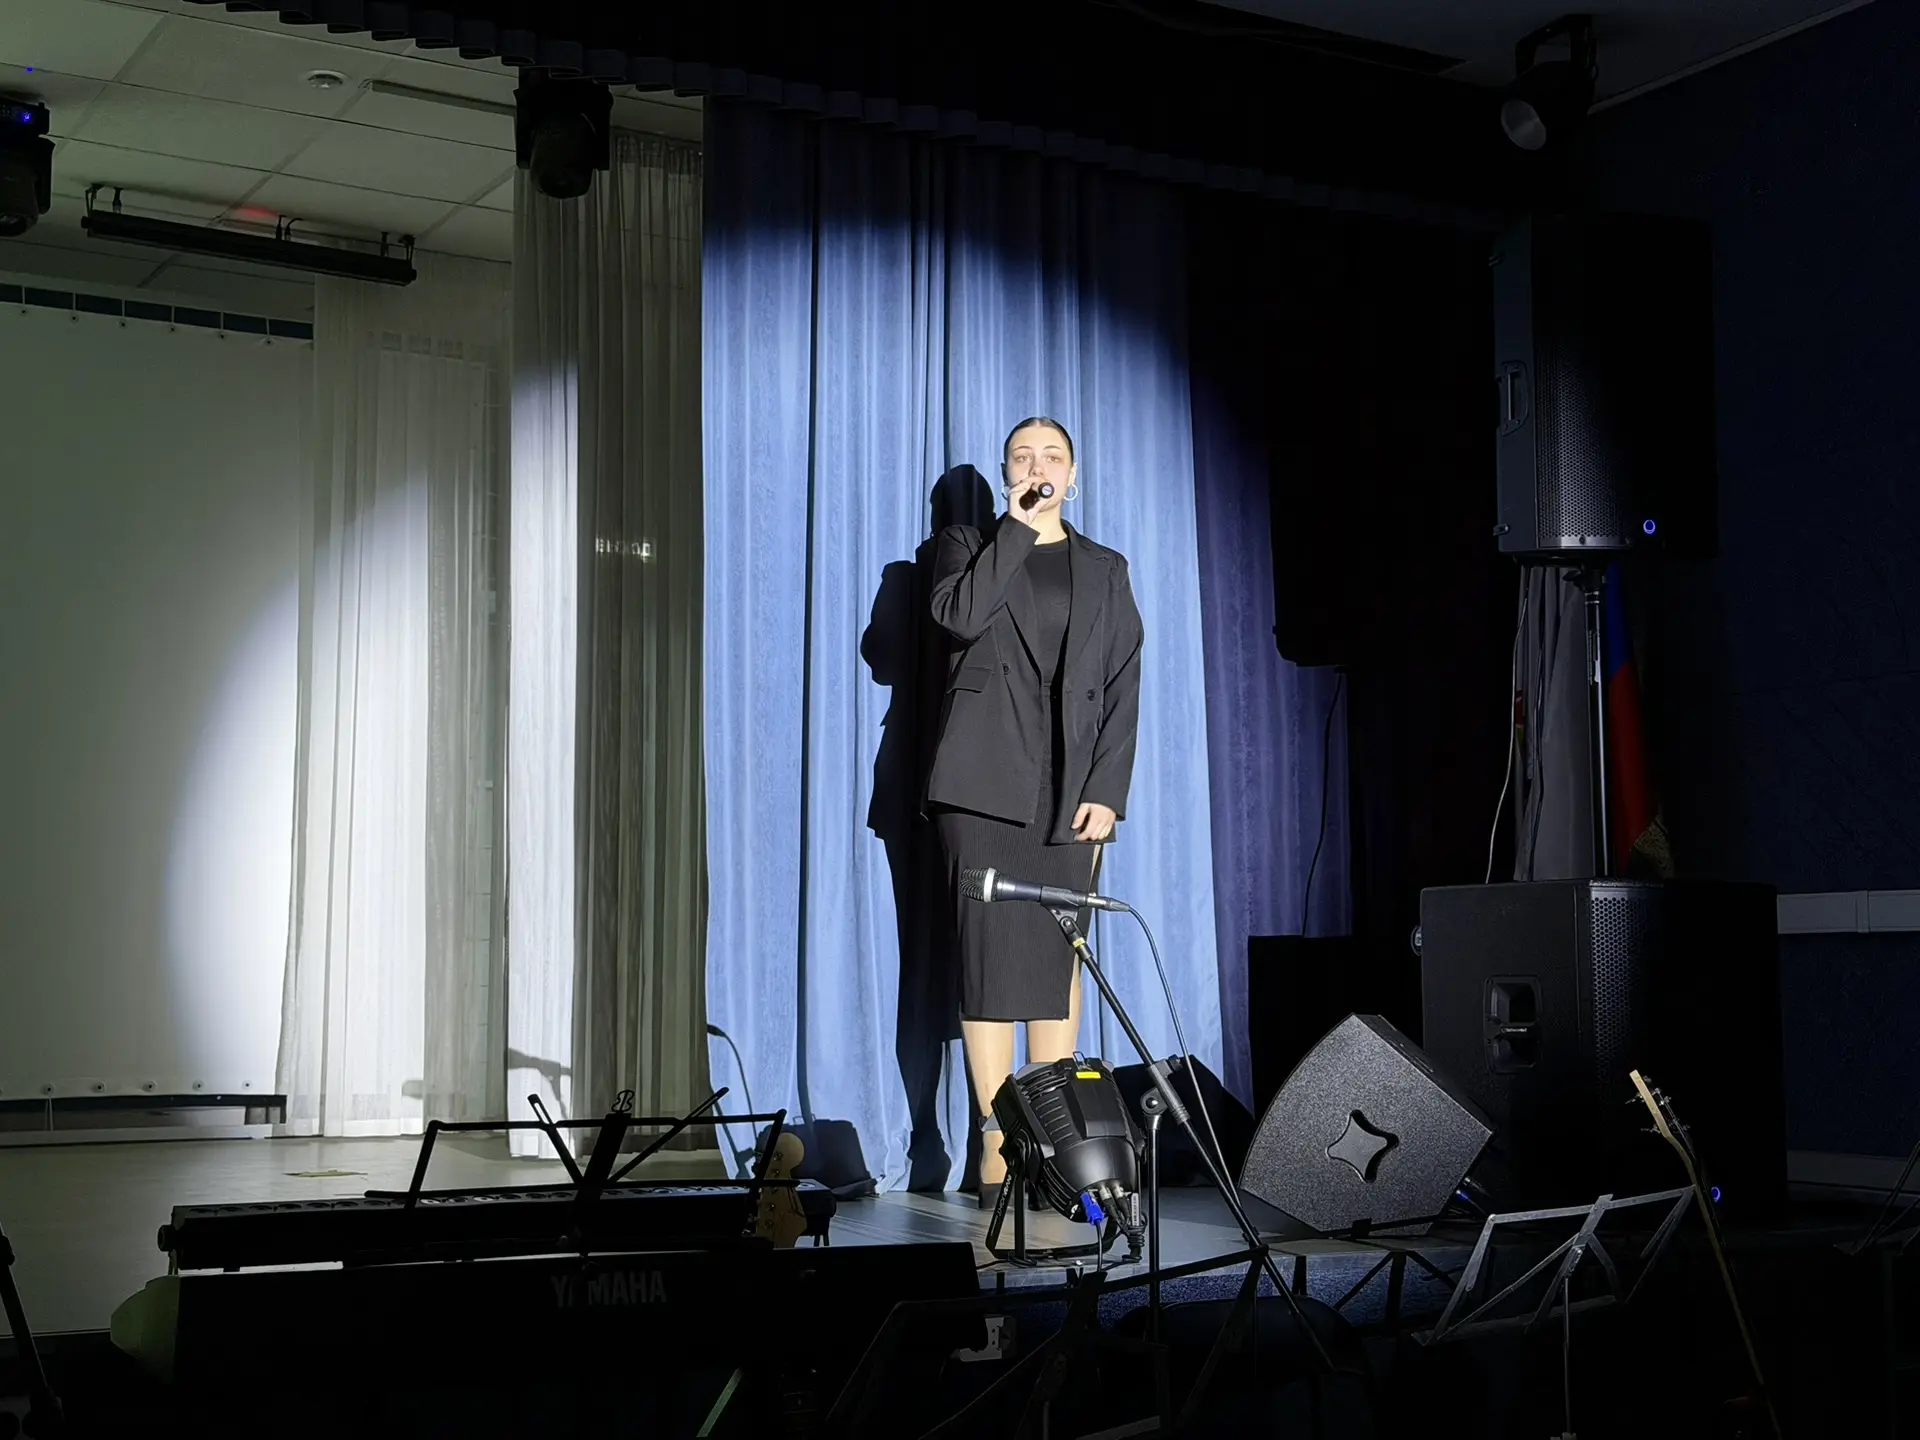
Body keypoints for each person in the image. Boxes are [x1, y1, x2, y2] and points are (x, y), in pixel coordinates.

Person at [926, 416, 1144, 1205]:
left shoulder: (1106, 567)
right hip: (982, 787)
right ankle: (998, 1138)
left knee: (1059, 956)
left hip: (1072, 788)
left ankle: (1055, 1134)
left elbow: (1123, 682)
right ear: (1007, 473)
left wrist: (1107, 790)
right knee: (988, 960)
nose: (1038, 464)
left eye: (1052, 456)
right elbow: (958, 618)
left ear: (1073, 476)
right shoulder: (967, 545)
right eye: (1023, 456)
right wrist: (1014, 529)